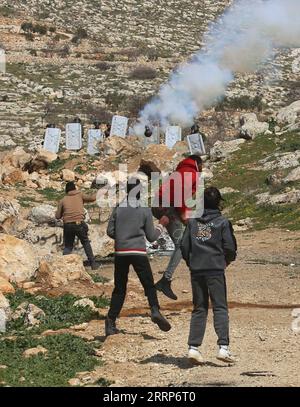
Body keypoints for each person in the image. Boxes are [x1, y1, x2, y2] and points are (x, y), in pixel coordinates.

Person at [105, 178, 171, 336]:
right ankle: (155, 310)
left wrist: (122, 236)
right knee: (148, 284)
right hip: (138, 252)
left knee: (120, 288)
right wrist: (161, 225)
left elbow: (110, 231)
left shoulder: (118, 207)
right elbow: (151, 236)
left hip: (121, 252)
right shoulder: (144, 209)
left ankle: (110, 320)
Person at [180, 187, 237, 364]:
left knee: (200, 308)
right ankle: (223, 348)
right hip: (215, 269)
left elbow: (184, 246)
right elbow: (230, 248)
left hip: (197, 270)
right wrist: (226, 261)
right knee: (219, 307)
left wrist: (191, 262)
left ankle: (193, 348)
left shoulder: (193, 222)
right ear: (219, 203)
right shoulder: (222, 222)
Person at [154, 155, 203, 300]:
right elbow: (180, 196)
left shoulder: (180, 171)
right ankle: (165, 280)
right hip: (167, 208)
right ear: (198, 164)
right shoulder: (191, 173)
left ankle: (193, 269)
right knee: (181, 244)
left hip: (163, 206)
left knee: (184, 240)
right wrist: (184, 217)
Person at [55, 181, 98, 270]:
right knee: (85, 242)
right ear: (75, 188)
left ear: (66, 190)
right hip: (79, 223)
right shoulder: (80, 195)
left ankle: (65, 266)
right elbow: (93, 198)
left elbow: (57, 216)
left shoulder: (63, 200)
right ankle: (93, 264)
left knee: (68, 246)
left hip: (67, 225)